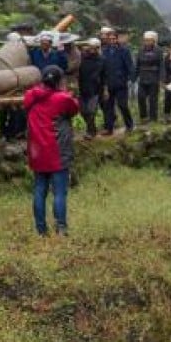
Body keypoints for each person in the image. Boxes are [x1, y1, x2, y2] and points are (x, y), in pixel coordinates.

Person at [24, 65, 79, 237]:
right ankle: (61, 228)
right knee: (59, 192)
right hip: (57, 151)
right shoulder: (62, 99)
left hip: (37, 152)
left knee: (40, 190)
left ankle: (41, 230)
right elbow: (74, 109)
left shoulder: (30, 96)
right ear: (59, 81)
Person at [100, 28, 135, 136]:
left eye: (114, 39)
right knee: (108, 107)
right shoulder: (104, 51)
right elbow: (102, 69)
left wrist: (130, 80)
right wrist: (104, 84)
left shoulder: (124, 51)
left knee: (122, 105)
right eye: (110, 39)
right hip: (109, 83)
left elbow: (130, 66)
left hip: (121, 83)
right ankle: (109, 128)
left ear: (117, 39)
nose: (112, 41)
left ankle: (129, 125)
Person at [135, 31, 164, 123]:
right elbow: (137, 64)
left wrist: (161, 79)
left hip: (153, 78)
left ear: (154, 40)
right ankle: (143, 117)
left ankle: (153, 118)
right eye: (145, 40)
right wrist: (134, 76)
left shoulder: (158, 51)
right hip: (143, 77)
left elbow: (161, 65)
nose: (147, 42)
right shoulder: (140, 50)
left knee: (153, 99)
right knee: (141, 97)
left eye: (149, 40)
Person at [77, 38, 104, 138]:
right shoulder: (83, 57)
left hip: (95, 89)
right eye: (91, 47)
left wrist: (104, 89)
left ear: (98, 48)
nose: (92, 50)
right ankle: (91, 129)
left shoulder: (101, 60)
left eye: (95, 48)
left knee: (91, 111)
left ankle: (91, 132)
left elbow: (104, 75)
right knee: (83, 111)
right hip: (82, 87)